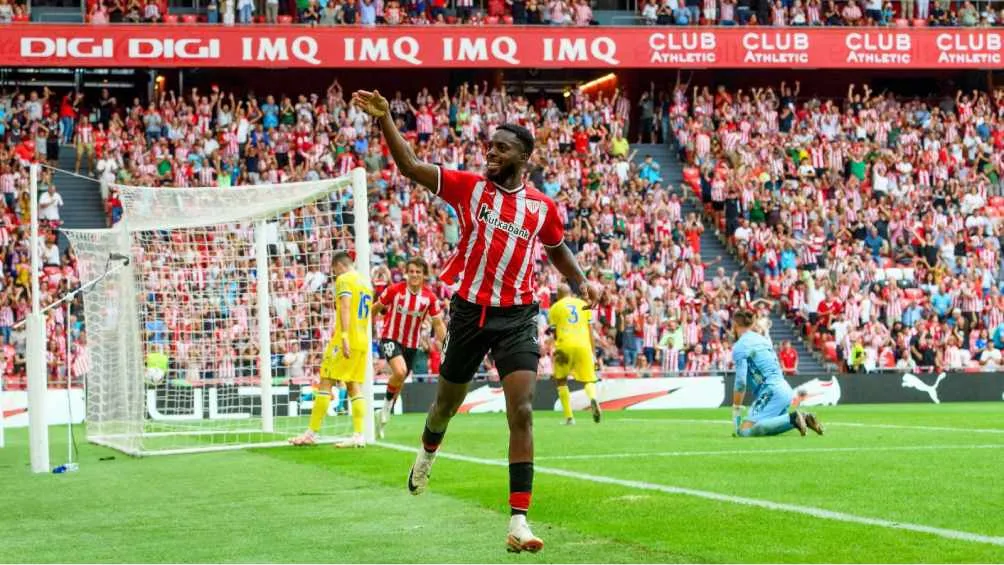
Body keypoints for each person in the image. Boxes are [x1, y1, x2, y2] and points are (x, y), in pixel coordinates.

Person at [351, 89, 599, 554]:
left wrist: (583, 282)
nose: (491, 151)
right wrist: (386, 118)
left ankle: (518, 521)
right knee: (445, 404)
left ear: (523, 157)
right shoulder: (469, 188)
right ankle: (426, 453)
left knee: (522, 410)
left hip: (518, 316)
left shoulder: (541, 207)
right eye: (490, 144)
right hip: (469, 312)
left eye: (501, 147)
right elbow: (411, 167)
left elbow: (557, 248)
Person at [289, 251, 373, 448]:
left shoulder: (344, 279)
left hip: (345, 339)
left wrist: (343, 336)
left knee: (325, 382)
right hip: (362, 340)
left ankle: (311, 433)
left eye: (334, 270)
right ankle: (359, 435)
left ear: (339, 266)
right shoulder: (366, 283)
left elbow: (345, 306)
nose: (335, 274)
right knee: (354, 386)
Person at [373, 257, 446, 439]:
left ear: (424, 276)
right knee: (399, 372)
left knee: (399, 382)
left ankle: (382, 414)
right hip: (390, 337)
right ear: (406, 272)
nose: (414, 275)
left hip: (411, 346)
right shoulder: (395, 290)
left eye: (418, 272)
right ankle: (385, 409)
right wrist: (362, 325)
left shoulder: (429, 298)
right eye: (411, 271)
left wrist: (445, 346)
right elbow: (376, 307)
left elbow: (438, 324)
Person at [731, 310, 823, 438]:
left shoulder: (740, 346)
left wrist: (736, 408)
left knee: (743, 432)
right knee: (770, 426)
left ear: (735, 325)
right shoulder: (762, 340)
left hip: (770, 392)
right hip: (784, 388)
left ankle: (793, 418)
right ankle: (802, 418)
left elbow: (741, 383)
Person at [547, 283, 600, 425]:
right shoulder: (583, 304)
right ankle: (593, 398)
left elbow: (555, 333)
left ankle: (569, 417)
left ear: (558, 294)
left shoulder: (554, 308)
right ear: (570, 292)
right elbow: (590, 331)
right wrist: (593, 354)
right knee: (588, 380)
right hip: (583, 345)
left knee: (561, 380)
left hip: (564, 345)